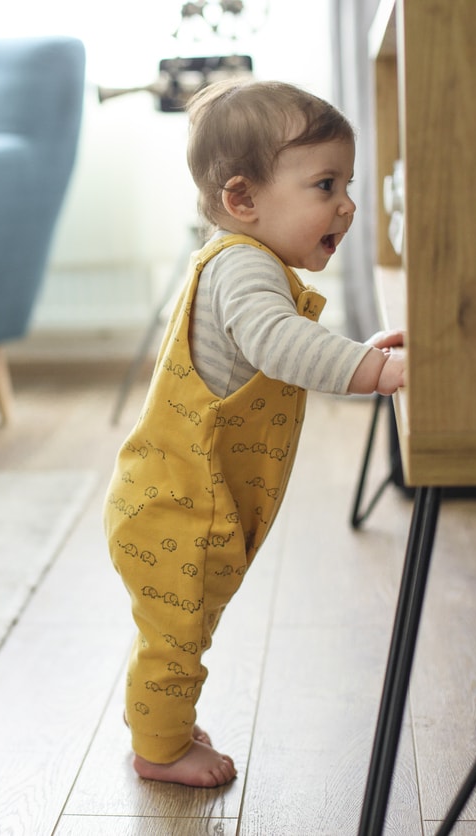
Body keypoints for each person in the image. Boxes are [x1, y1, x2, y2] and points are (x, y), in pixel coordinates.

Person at [103, 78, 406, 788]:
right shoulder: (243, 266)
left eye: (348, 183)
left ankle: (164, 719)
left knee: (184, 632)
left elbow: (284, 339)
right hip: (180, 510)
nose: (348, 204)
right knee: (176, 642)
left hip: (183, 503)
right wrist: (379, 373)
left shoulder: (243, 260)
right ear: (242, 200)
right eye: (325, 184)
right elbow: (278, 343)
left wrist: (366, 352)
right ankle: (160, 749)